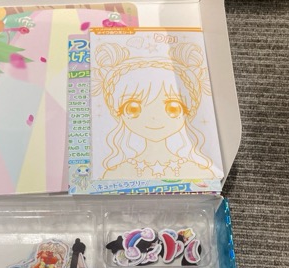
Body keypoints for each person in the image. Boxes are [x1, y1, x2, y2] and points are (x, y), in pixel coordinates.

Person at [92, 42, 219, 180]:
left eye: (172, 108)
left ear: (188, 110)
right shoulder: (115, 173)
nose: (153, 117)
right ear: (118, 112)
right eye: (133, 108)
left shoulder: (200, 172)